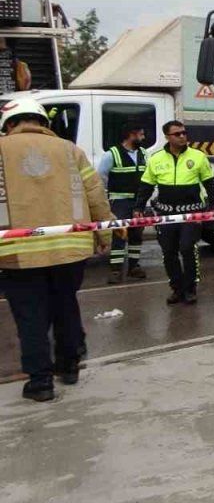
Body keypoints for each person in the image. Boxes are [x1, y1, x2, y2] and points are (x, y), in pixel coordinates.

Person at [0, 98, 113, 402]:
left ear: (9, 124)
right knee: (65, 305)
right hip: (70, 248)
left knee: (31, 316)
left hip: (17, 252)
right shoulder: (70, 150)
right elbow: (96, 194)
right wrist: (106, 233)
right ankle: (70, 366)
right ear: (42, 123)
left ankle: (40, 382)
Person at [134, 121, 214, 305]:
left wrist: (212, 208)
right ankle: (177, 289)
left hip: (191, 214)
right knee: (168, 252)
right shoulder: (156, 158)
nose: (182, 136)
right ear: (167, 137)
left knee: (187, 249)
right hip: (165, 214)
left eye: (184, 133)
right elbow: (146, 185)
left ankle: (190, 289)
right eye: (177, 134)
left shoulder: (198, 156)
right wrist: (138, 207)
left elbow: (210, 183)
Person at [98, 123, 149, 284]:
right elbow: (101, 178)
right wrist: (105, 200)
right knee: (120, 234)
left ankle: (134, 267)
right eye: (141, 134)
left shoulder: (143, 153)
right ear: (131, 134)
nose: (143, 137)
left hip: (139, 202)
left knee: (136, 234)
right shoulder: (111, 154)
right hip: (120, 201)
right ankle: (115, 271)